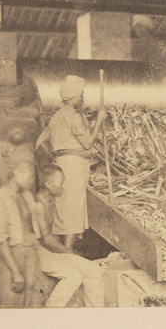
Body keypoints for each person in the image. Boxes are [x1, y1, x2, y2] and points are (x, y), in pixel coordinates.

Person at [36, 75, 106, 251]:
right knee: (73, 209)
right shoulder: (74, 116)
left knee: (62, 208)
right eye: (81, 94)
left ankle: (62, 249)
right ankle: (67, 251)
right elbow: (88, 143)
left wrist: (55, 156)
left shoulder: (56, 117)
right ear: (73, 97)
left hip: (61, 163)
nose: (83, 98)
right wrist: (99, 120)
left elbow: (40, 142)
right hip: (74, 165)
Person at [35, 165, 105, 307]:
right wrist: (69, 252)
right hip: (38, 252)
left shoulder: (51, 200)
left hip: (51, 251)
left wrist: (67, 253)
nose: (64, 186)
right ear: (48, 184)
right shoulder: (38, 205)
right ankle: (50, 311)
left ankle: (96, 315)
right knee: (74, 275)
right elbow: (47, 240)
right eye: (61, 182)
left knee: (94, 270)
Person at [0, 157, 43, 307]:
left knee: (33, 304)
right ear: (15, 173)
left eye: (32, 176)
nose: (31, 180)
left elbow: (35, 229)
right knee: (11, 304)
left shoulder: (27, 196)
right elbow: (0, 240)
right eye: (28, 175)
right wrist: (15, 272)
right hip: (10, 256)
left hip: (31, 253)